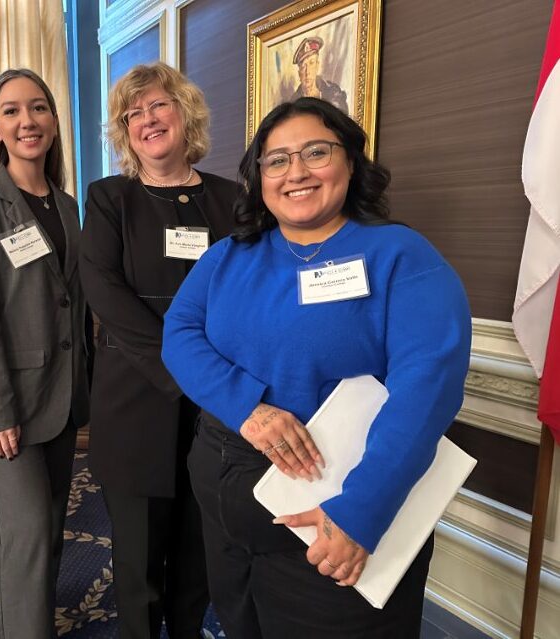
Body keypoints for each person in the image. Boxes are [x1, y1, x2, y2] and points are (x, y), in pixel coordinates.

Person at [162, 97, 471, 638]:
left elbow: (427, 392)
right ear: (259, 177)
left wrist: (361, 514)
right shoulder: (230, 256)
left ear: (351, 162)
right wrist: (247, 408)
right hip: (225, 495)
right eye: (276, 159)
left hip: (334, 510)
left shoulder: (401, 256)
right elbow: (179, 336)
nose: (296, 172)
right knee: (242, 624)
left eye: (316, 152)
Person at [79, 62, 238, 639]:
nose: (147, 120)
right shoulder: (109, 199)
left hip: (214, 411)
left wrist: (210, 380)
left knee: (200, 554)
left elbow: (243, 293)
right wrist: (187, 370)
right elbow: (104, 292)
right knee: (138, 566)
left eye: (158, 106)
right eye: (133, 113)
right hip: (137, 402)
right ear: (125, 132)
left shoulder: (232, 199)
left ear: (184, 112)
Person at [0, 68, 90, 639]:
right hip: (6, 405)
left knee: (51, 527)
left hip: (60, 394)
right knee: (26, 532)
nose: (26, 121)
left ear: (55, 122)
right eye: (11, 111)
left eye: (37, 108)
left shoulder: (66, 203)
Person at [290, 36, 349, 114]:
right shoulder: (293, 103)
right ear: (299, 73)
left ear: (317, 66)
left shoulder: (334, 93)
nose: (307, 72)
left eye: (311, 63)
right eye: (303, 66)